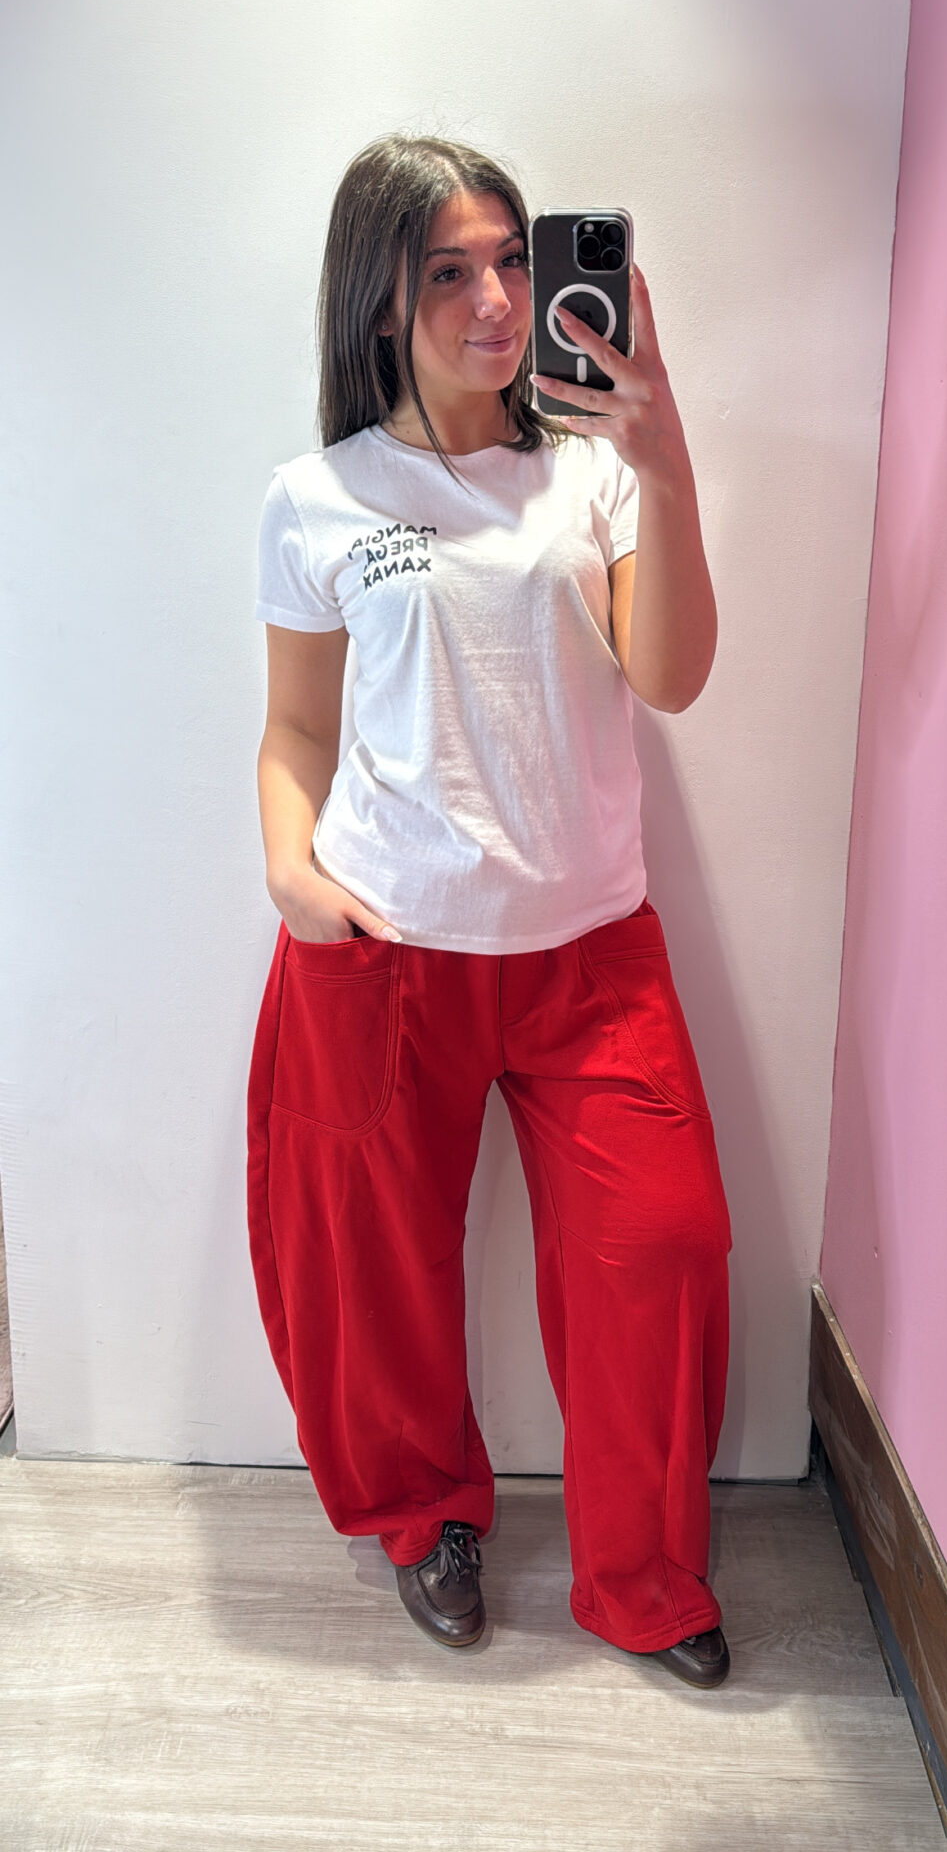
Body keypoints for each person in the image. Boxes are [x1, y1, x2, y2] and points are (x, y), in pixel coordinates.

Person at [246, 133, 734, 1689]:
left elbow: (670, 678)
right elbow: (297, 731)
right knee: (371, 1275)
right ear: (380, 300)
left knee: (661, 1252)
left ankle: (643, 1576)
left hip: (594, 956)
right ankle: (425, 1516)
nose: (499, 300)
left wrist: (664, 456)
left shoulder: (592, 467)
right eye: (449, 271)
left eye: (516, 260)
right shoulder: (319, 498)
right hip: (385, 948)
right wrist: (292, 873)